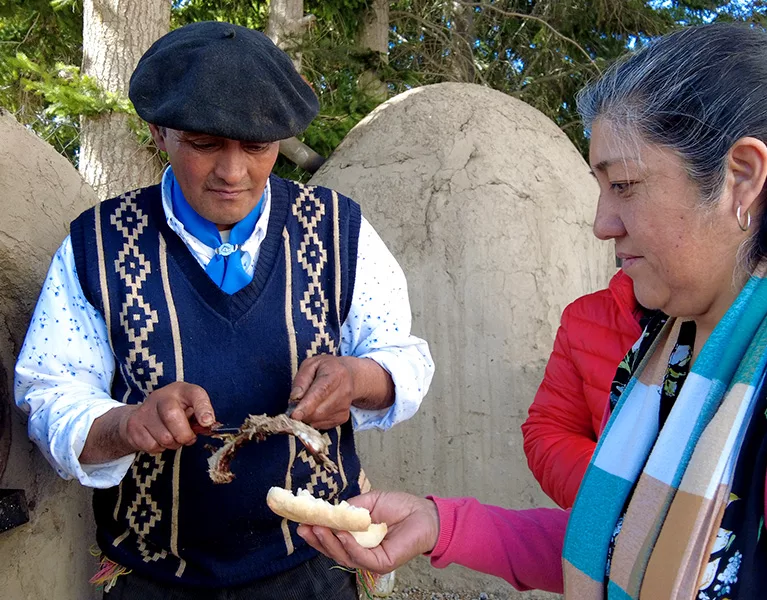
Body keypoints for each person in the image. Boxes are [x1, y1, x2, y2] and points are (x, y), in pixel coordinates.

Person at [297, 23, 767, 599]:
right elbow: (626, 545)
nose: (601, 224)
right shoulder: (669, 351)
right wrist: (442, 524)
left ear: (740, 177)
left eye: (624, 185)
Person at [14, 21, 434, 600]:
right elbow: (49, 392)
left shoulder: (339, 231)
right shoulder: (101, 244)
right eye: (205, 144)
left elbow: (404, 359)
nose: (233, 173)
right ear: (160, 132)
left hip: (311, 568)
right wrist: (127, 425)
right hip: (155, 579)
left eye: (257, 148)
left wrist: (360, 377)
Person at [522, 269, 646, 508]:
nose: (604, 230)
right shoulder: (586, 318)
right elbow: (551, 430)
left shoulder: (737, 332)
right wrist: (612, 497)